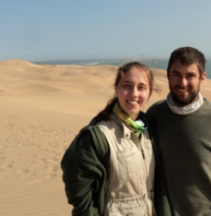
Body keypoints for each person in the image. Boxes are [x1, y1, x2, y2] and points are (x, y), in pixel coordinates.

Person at [147, 47, 211, 216]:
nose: (182, 82)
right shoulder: (154, 115)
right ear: (167, 75)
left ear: (202, 78)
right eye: (176, 74)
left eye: (190, 76)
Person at [61, 62, 156, 216]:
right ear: (116, 89)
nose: (134, 93)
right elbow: (78, 189)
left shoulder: (149, 130)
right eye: (127, 85)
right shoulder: (98, 136)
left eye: (141, 87)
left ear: (149, 93)